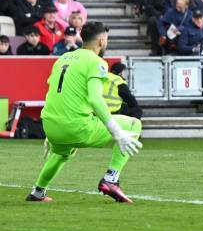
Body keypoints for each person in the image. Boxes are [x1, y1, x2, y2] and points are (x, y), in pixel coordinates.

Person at [26, 22, 142, 203]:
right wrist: (117, 132)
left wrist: (52, 131)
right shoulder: (96, 62)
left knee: (64, 153)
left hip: (51, 126)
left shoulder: (63, 58)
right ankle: (111, 179)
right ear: (102, 41)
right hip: (76, 128)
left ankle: (38, 192)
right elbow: (96, 99)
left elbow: (54, 92)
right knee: (134, 123)